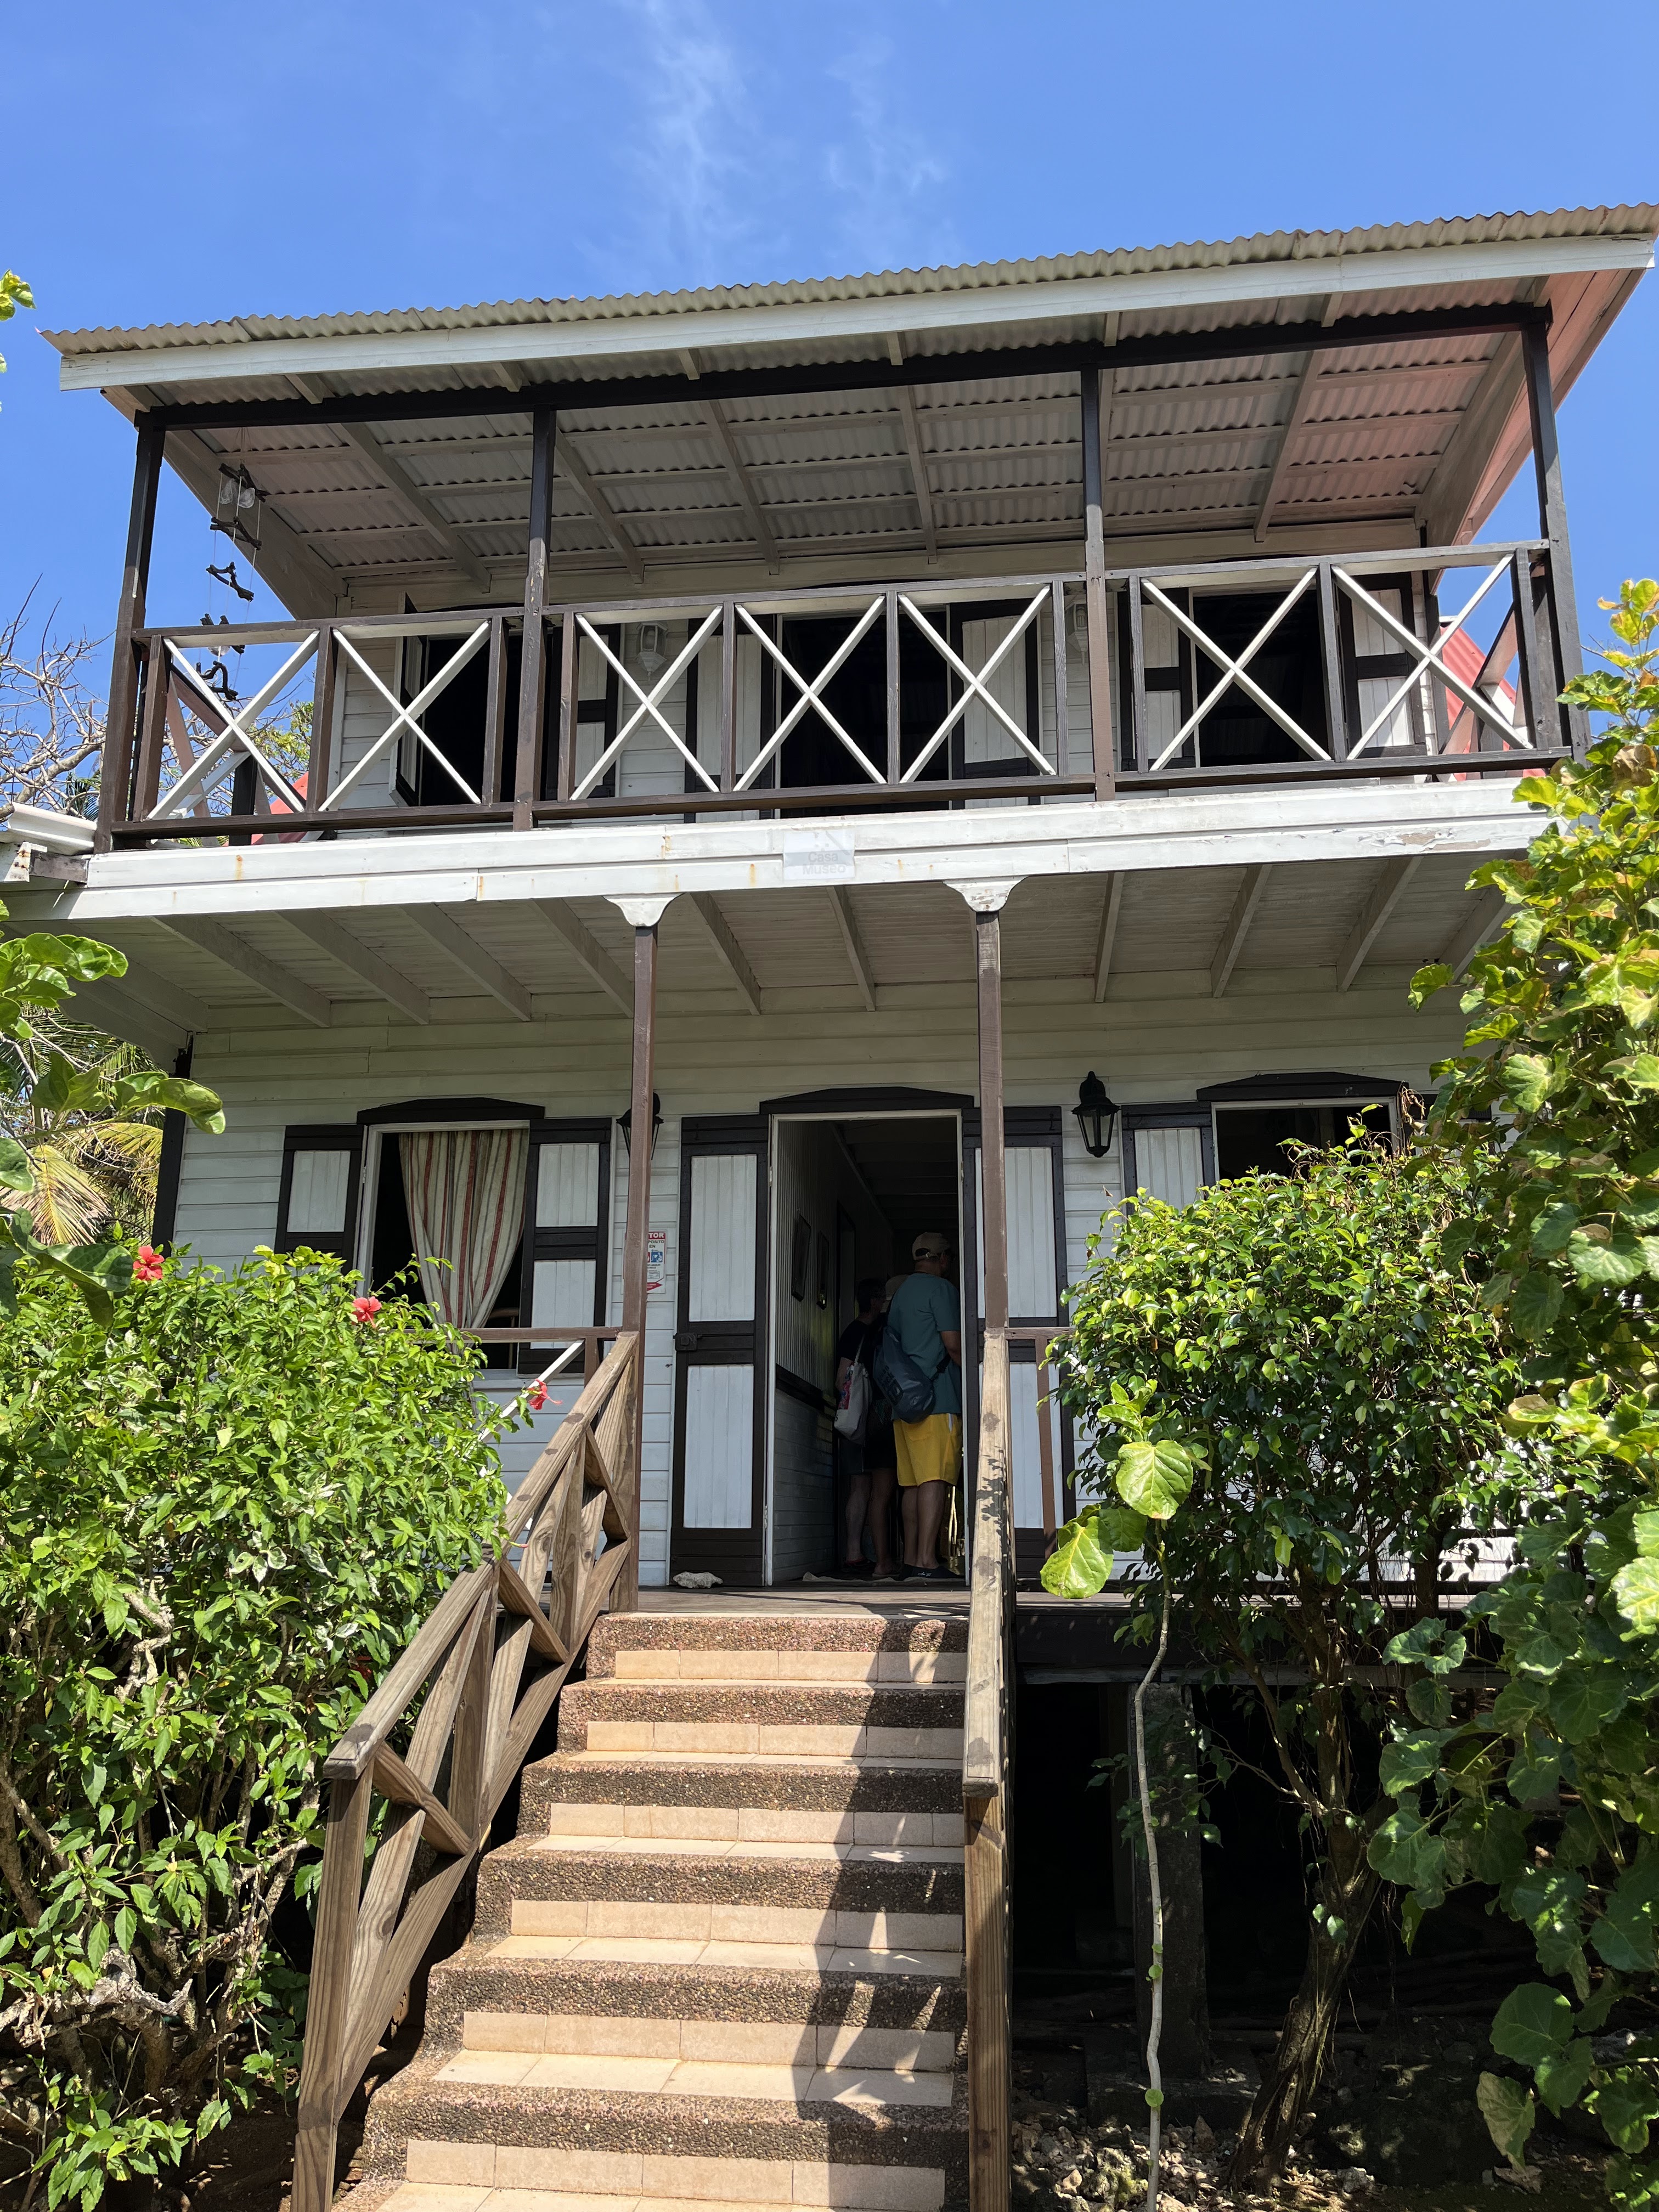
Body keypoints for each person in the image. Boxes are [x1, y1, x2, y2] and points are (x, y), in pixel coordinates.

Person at [883, 1231, 962, 1581]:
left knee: (912, 1484)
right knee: (935, 1480)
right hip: (937, 1399)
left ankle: (913, 1559)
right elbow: (953, 1345)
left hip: (904, 1403)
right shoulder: (942, 1289)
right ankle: (929, 1562)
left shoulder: (900, 1294)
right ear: (944, 1259)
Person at [834, 1277, 895, 1579]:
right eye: (882, 1299)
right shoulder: (860, 1332)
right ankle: (855, 1554)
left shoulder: (857, 1331)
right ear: (874, 1302)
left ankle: (859, 1554)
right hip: (862, 1419)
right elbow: (842, 1379)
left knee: (864, 1486)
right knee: (862, 1486)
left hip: (862, 1418)